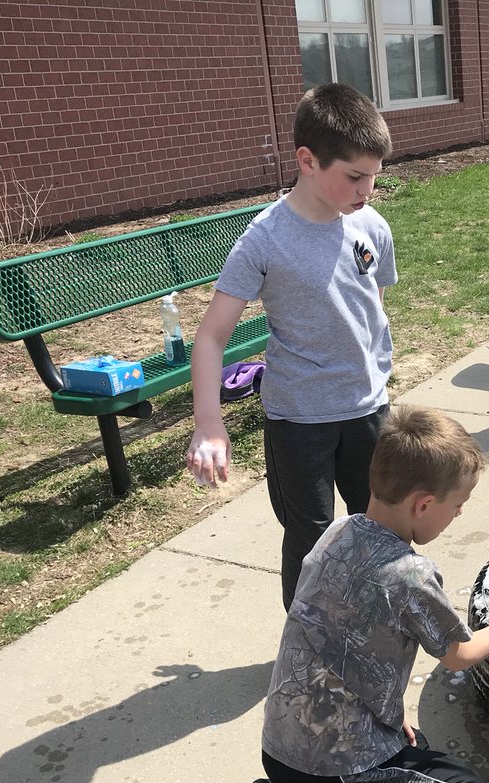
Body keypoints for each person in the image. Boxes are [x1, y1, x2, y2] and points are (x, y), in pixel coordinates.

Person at [234, 406, 489, 783]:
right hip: (341, 772)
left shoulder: (338, 530)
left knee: (412, 749)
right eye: (458, 504)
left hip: (279, 751)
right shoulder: (409, 574)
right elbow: (459, 655)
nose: (460, 513)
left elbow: (337, 643)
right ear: (423, 504)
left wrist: (390, 713)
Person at [186, 83, 396, 612]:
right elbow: (212, 336)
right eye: (354, 176)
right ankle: (307, 644)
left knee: (379, 527)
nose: (367, 189)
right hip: (299, 418)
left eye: (373, 175)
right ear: (306, 160)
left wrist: (375, 374)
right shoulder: (264, 239)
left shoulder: (371, 224)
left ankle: (372, 625)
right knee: (311, 539)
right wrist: (210, 423)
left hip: (368, 408)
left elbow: (370, 307)